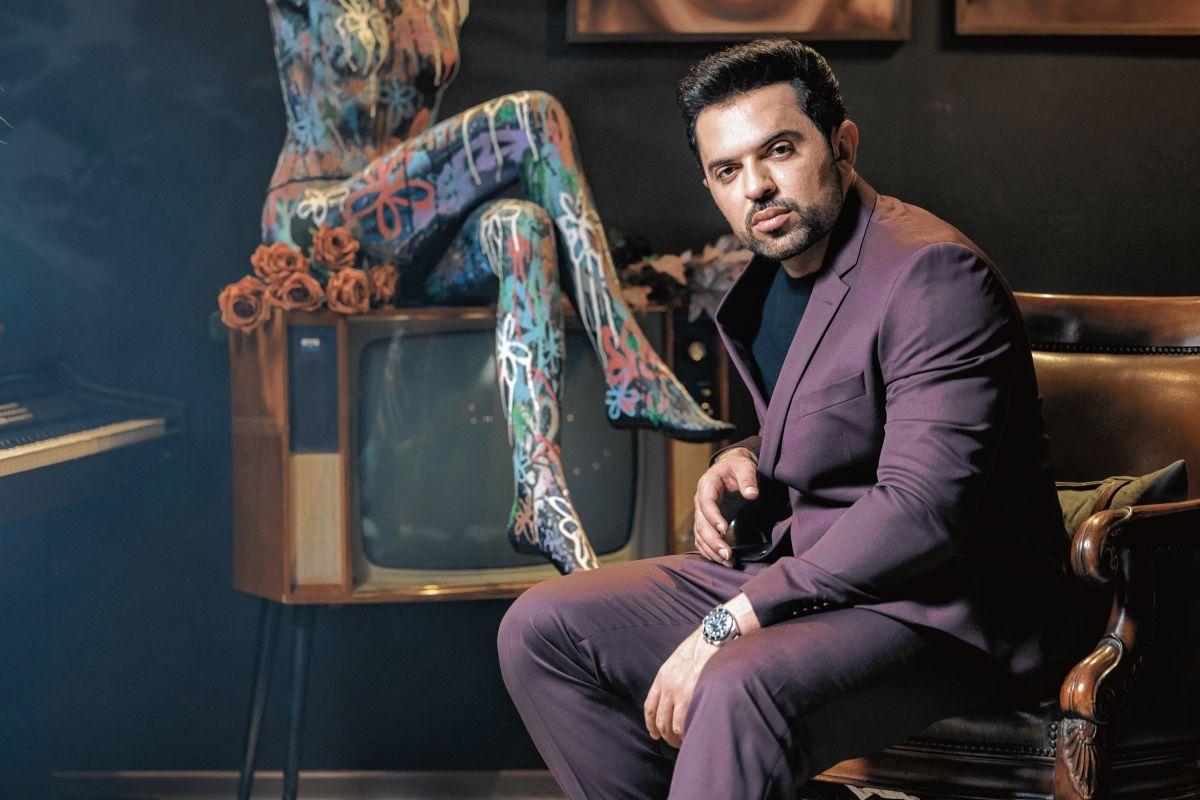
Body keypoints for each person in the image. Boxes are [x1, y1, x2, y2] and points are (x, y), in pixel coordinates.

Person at [497, 39, 1091, 798]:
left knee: (737, 681)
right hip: (811, 573)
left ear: (842, 145)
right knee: (543, 630)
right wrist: (743, 454)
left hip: (945, 610)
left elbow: (921, 510)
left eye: (779, 150)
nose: (757, 187)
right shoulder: (773, 281)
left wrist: (732, 619)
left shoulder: (934, 274)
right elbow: (850, 411)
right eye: (727, 170)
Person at [257, 0, 733, 575]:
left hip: (418, 241)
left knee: (522, 228)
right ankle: (627, 364)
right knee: (533, 115)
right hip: (319, 221)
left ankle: (540, 491)